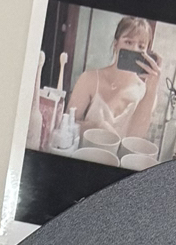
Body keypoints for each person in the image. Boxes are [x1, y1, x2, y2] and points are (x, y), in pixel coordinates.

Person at [65, 17, 163, 158]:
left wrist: (152, 89)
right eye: (128, 42)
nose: (134, 50)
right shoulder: (89, 79)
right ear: (116, 44)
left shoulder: (146, 93)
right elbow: (66, 127)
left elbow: (135, 140)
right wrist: (97, 126)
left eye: (141, 46)